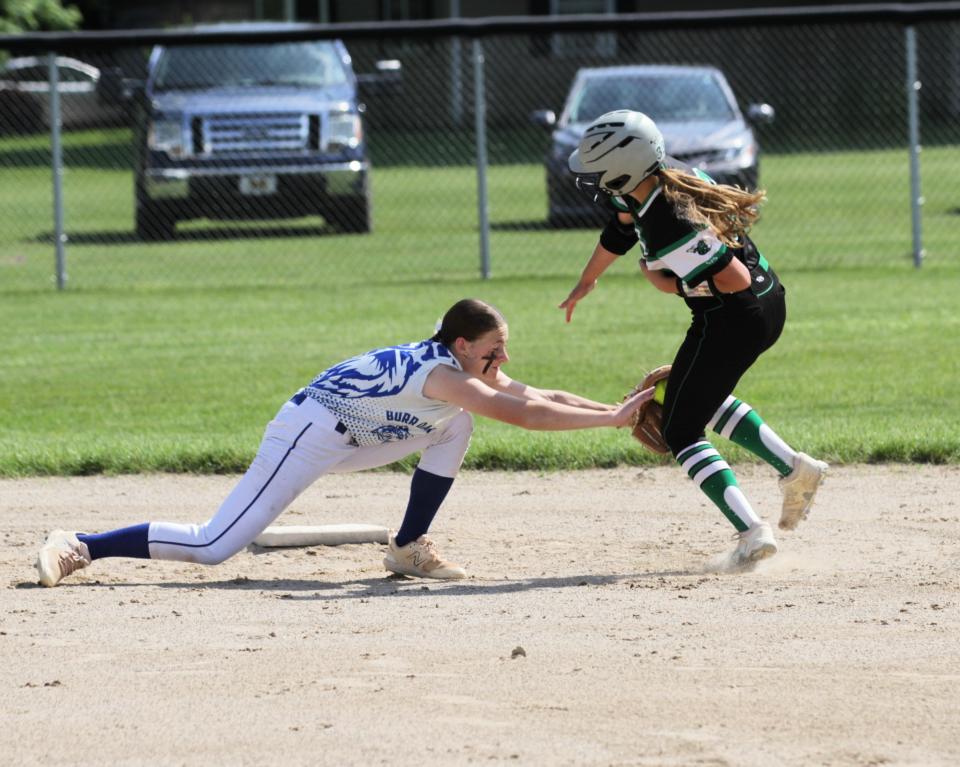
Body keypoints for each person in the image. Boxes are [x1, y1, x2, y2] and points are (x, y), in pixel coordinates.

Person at [36, 298, 652, 587]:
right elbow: (522, 417)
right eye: (494, 347)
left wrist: (617, 410)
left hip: (361, 434)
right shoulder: (441, 375)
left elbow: (534, 395)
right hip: (308, 432)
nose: (504, 357)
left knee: (454, 423)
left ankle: (407, 547)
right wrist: (609, 421)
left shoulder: (458, 367)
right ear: (463, 345)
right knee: (214, 546)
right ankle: (83, 545)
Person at [560, 109, 828, 566]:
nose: (594, 179)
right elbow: (621, 228)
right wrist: (587, 281)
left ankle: (751, 531)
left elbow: (734, 277)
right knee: (694, 393)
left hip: (733, 318)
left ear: (623, 170)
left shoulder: (670, 220)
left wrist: (670, 285)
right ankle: (794, 470)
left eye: (600, 169)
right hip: (766, 303)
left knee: (680, 427)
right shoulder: (660, 179)